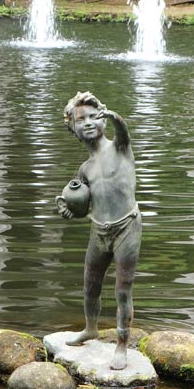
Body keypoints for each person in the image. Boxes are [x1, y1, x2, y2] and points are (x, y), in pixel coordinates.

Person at [56, 91, 141, 370]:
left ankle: (121, 344)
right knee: (90, 285)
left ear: (104, 119)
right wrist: (67, 210)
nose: (89, 122)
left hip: (127, 226)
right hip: (99, 230)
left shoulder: (119, 147)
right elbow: (77, 203)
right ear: (72, 128)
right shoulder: (85, 169)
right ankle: (91, 328)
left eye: (95, 116)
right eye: (81, 120)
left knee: (122, 289)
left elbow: (124, 130)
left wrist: (114, 116)